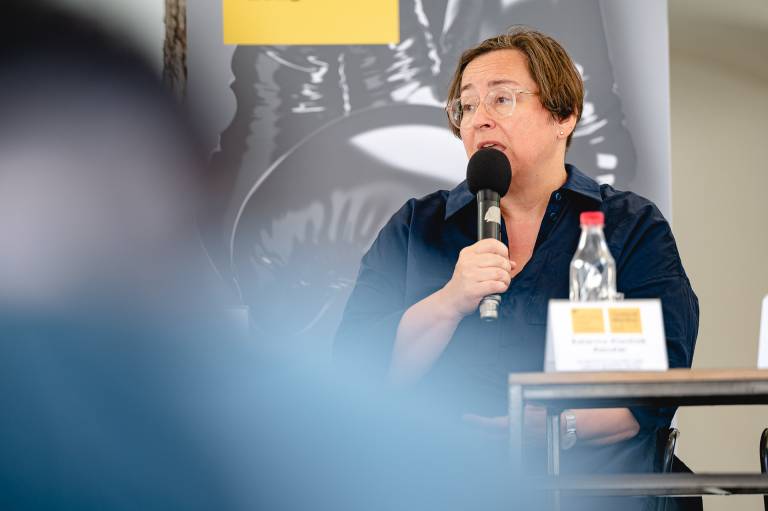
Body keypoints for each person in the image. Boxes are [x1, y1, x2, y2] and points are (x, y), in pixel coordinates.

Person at [335, 27, 699, 508]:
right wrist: (448, 302)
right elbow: (355, 374)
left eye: (501, 99)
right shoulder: (416, 228)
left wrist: (557, 428)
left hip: (593, 493)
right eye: (467, 106)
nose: (479, 119)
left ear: (563, 116)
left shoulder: (629, 227)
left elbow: (658, 385)